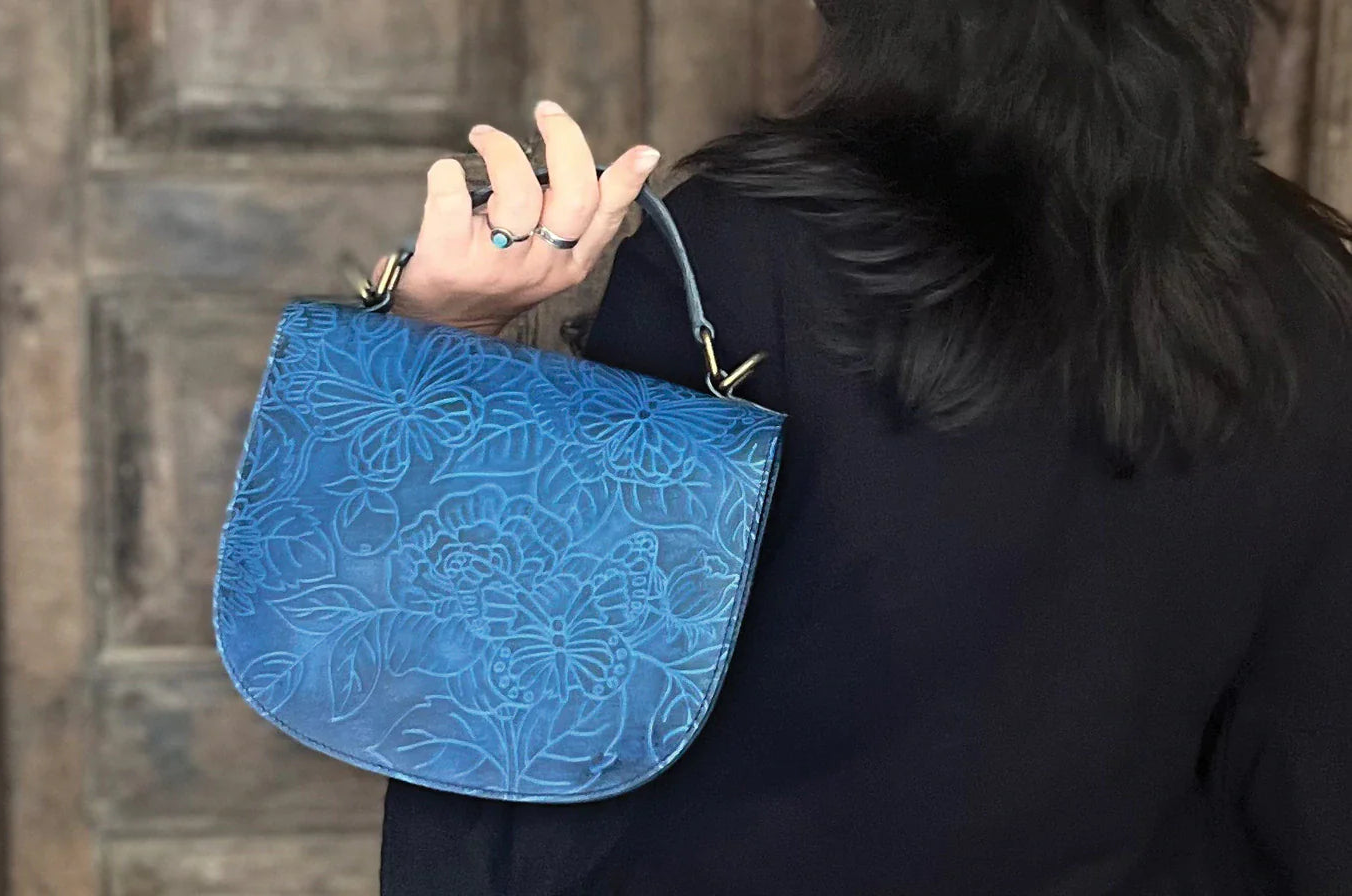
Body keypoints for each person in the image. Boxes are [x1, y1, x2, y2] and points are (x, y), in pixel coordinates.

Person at [374, 1, 1352, 893]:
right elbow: (1309, 761)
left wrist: (435, 343)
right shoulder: (1308, 288)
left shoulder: (748, 250)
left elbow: (533, 701)